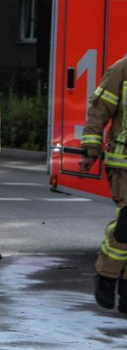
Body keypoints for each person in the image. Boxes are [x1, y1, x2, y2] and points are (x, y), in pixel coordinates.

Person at [79, 55, 127, 313]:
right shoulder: (122, 69)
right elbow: (99, 111)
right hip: (125, 164)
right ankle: (106, 277)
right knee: (126, 227)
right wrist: (90, 149)